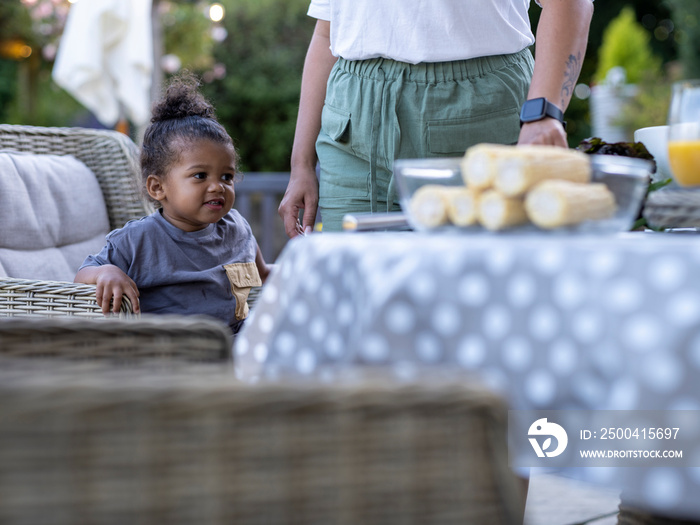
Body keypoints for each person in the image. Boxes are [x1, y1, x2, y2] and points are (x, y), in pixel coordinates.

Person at [279, 0, 595, 236]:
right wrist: (301, 165)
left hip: (479, 118)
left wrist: (543, 114)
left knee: (482, 302)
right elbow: (327, 33)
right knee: (353, 298)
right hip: (352, 133)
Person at [75, 73, 271, 334]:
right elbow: (83, 274)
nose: (218, 186)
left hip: (234, 347)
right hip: (168, 357)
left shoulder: (237, 228)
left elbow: (264, 274)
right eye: (200, 176)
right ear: (158, 187)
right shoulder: (138, 239)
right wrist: (106, 273)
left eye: (227, 176)